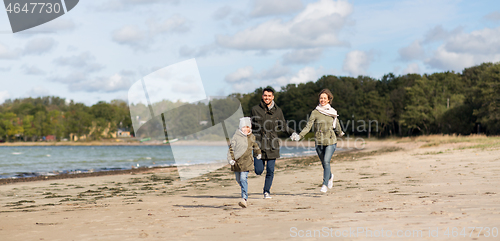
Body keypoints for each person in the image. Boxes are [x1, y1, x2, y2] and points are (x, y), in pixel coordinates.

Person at [251, 87, 299, 199]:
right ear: (262, 96)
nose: (267, 98)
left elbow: (283, 125)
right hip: (259, 144)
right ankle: (259, 171)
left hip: (273, 144)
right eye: (265, 95)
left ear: (273, 97)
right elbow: (251, 126)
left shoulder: (278, 111)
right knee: (258, 171)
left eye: (269, 96)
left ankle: (266, 191)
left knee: (270, 170)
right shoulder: (255, 109)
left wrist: (292, 133)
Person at [296, 89, 344, 193]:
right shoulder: (315, 112)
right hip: (319, 141)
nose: (322, 100)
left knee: (326, 161)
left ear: (328, 100)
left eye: (324, 98)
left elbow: (337, 123)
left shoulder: (332, 112)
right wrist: (300, 136)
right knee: (324, 163)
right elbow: (308, 126)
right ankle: (330, 176)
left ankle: (324, 184)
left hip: (331, 141)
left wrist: (340, 132)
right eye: (321, 98)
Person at [228, 117, 262, 208]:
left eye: (248, 127)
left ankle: (244, 198)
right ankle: (244, 189)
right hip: (237, 163)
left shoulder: (252, 137)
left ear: (250, 128)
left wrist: (258, 153)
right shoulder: (236, 137)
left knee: (243, 179)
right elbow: (231, 149)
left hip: (247, 162)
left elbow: (256, 146)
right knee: (239, 180)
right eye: (244, 127)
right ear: (240, 128)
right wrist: (230, 159)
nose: (246, 129)